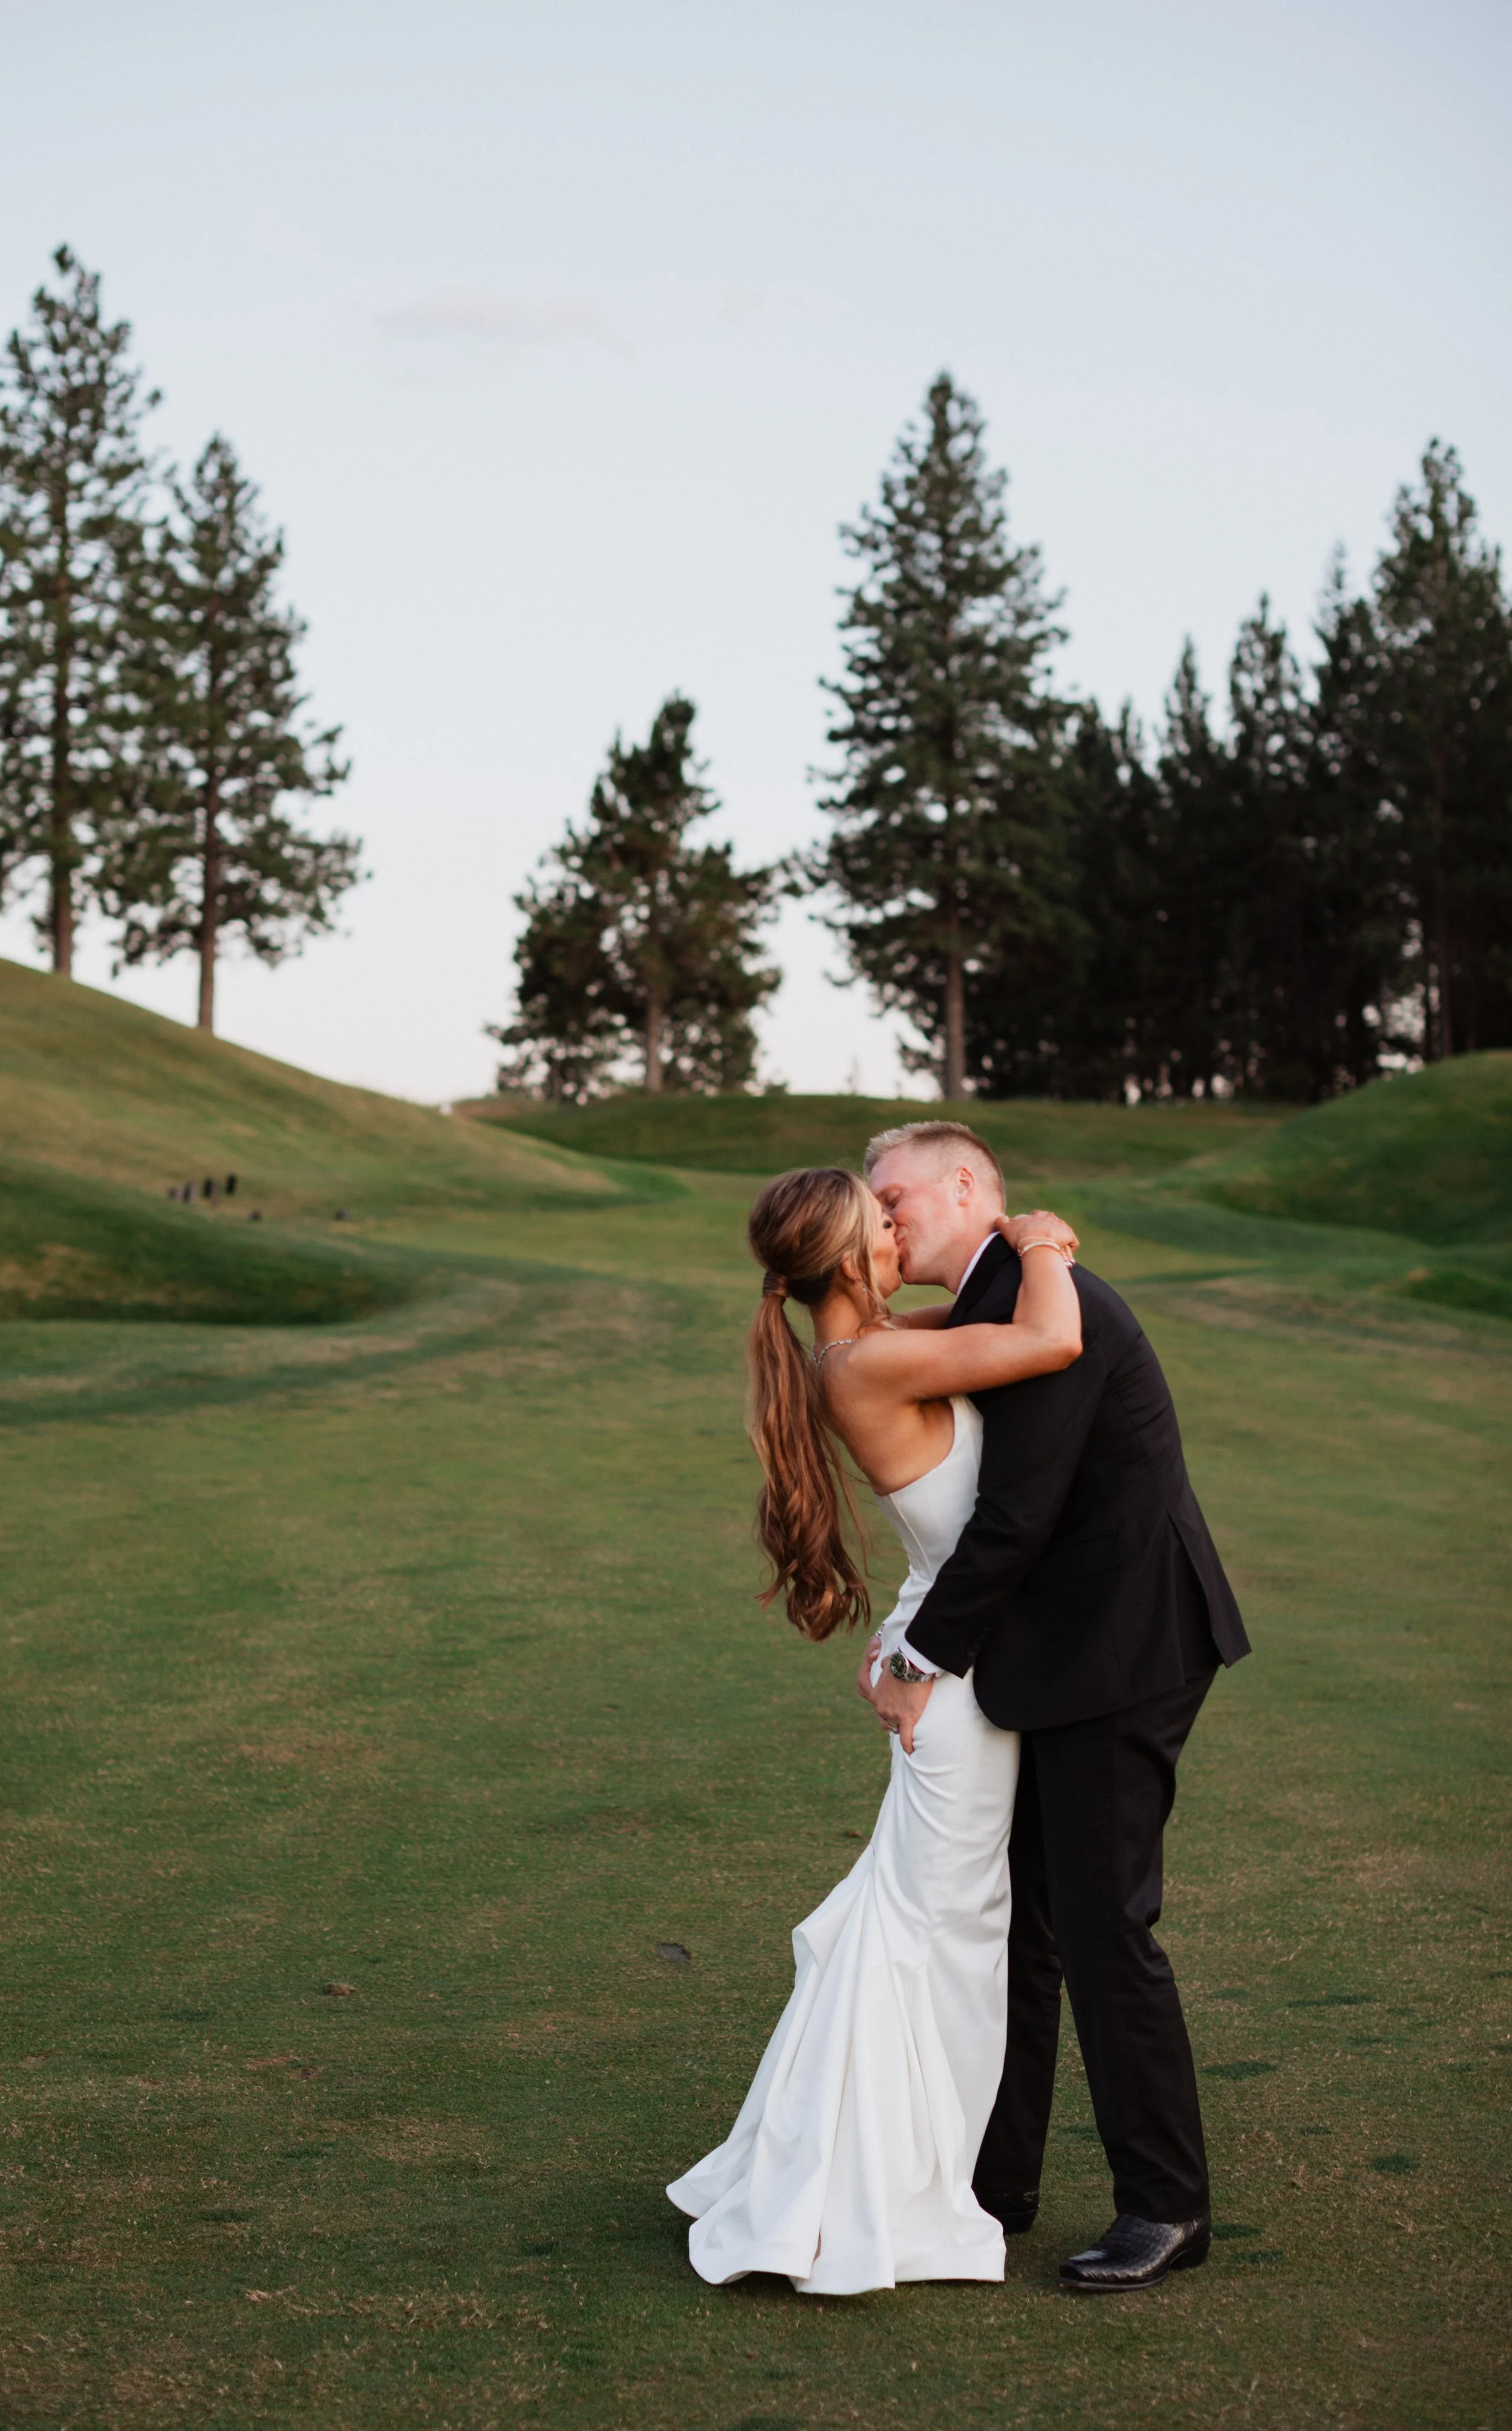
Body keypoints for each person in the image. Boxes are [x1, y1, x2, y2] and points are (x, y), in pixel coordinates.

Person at [666, 1163, 1083, 2296]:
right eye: (881, 1223)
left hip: (938, 1648)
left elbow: (970, 1320)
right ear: (849, 1261)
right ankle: (892, 2191)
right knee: (943, 1932)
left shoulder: (864, 1345)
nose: (898, 1231)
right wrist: (1042, 1240)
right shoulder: (877, 1359)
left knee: (936, 1921)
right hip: (952, 1681)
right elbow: (1048, 1340)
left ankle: (904, 2168)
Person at [862, 1120, 1250, 2294]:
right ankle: (997, 2180)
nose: (885, 1220)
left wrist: (916, 1656)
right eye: (872, 1208)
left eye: (897, 1197)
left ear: (970, 1183)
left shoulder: (1046, 1293)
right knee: (1029, 1922)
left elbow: (1016, 1514)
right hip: (1065, 1650)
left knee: (1099, 1925)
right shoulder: (995, 1288)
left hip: (1126, 1646)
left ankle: (1166, 2204)